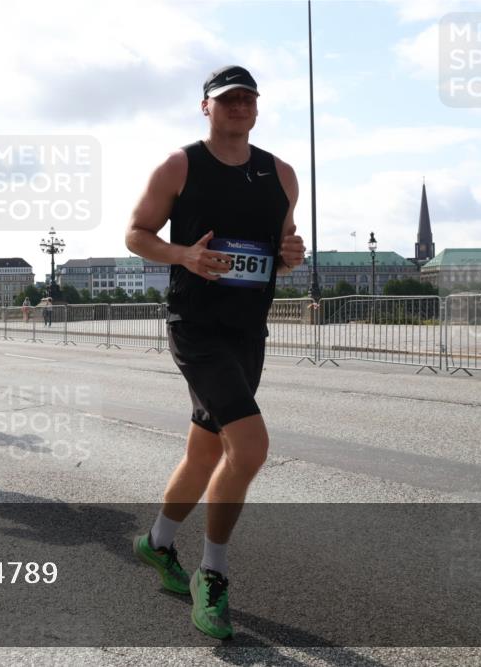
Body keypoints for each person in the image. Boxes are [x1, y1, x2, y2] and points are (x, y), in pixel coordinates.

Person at [125, 65, 305, 640]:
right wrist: (183, 256)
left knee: (205, 453)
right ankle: (213, 573)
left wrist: (291, 253)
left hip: (248, 330)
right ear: (206, 107)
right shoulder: (180, 165)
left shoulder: (280, 173)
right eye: (227, 99)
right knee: (249, 447)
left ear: (258, 107)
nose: (238, 107)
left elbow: (280, 248)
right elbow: (136, 233)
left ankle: (155, 543)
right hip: (195, 326)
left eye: (247, 98)